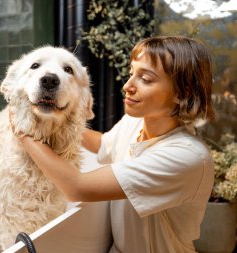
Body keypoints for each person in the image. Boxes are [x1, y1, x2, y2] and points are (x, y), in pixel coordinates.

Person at [11, 36, 215, 252]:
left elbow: (76, 188)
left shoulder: (187, 157)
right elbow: (102, 144)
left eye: (145, 79)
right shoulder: (136, 122)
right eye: (131, 74)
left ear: (183, 92)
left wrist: (23, 131)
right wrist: (60, 116)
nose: (127, 86)